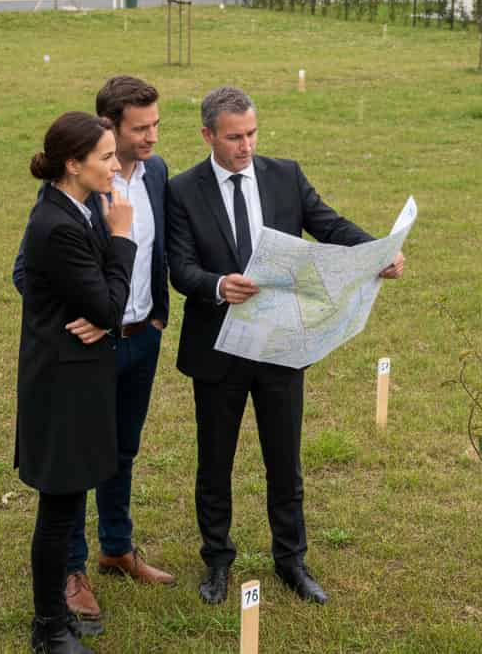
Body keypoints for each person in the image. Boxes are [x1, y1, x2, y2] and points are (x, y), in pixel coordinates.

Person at [166, 85, 405, 606]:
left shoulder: (285, 175)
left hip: (281, 346)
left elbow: (328, 224)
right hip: (218, 349)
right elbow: (179, 266)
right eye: (234, 137)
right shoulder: (183, 190)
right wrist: (216, 285)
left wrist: (376, 252)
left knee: (285, 459)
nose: (245, 145)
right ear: (208, 135)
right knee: (215, 462)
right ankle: (217, 561)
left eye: (251, 133)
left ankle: (291, 561)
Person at [13, 77, 173, 625]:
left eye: (156, 125)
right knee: (76, 464)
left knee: (119, 452)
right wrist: (71, 318)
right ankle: (72, 571)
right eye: (139, 128)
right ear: (111, 128)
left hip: (139, 339)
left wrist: (152, 317)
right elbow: (29, 273)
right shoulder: (76, 199)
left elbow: (160, 253)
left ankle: (117, 547)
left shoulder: (159, 175)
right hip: (89, 351)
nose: (151, 136)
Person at [15, 111, 135, 654]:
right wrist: (122, 237)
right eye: (107, 157)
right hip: (61, 389)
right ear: (73, 164)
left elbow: (94, 301)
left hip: (75, 378)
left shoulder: (73, 207)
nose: (116, 165)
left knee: (66, 504)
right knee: (59, 510)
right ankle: (49, 629)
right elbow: (109, 303)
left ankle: (54, 618)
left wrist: (100, 310)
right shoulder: (60, 224)